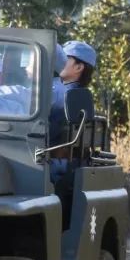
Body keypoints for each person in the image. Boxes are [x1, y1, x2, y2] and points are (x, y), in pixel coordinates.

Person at [50, 40, 97, 181]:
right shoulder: (74, 93)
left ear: (78, 67)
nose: (57, 60)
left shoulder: (63, 94)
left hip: (50, 161)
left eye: (65, 58)